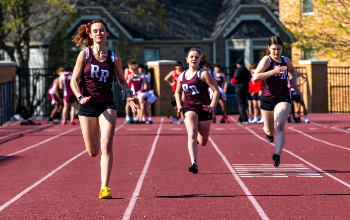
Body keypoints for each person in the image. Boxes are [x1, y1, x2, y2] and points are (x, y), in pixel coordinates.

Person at [70, 18, 137, 199]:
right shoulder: (84, 55)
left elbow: (122, 81)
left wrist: (128, 94)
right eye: (95, 31)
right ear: (90, 35)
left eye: (102, 30)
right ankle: (96, 148)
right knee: (93, 152)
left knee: (106, 144)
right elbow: (73, 81)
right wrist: (80, 97)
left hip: (107, 104)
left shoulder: (114, 57)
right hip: (87, 105)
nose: (99, 33)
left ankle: (104, 187)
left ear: (107, 33)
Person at [253, 36, 301, 167]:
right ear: (269, 48)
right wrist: (273, 71)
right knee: (270, 130)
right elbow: (255, 77)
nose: (276, 52)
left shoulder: (286, 60)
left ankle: (277, 155)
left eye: (279, 49)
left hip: (283, 98)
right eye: (273, 49)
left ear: (282, 49)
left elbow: (292, 71)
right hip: (268, 99)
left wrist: (294, 85)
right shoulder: (266, 60)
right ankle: (268, 132)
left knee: (279, 125)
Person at [175, 48, 219, 174]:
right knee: (192, 134)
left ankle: (197, 143)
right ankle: (194, 163)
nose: (194, 59)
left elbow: (216, 90)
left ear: (200, 59)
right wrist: (179, 105)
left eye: (196, 57)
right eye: (191, 57)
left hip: (204, 109)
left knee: (203, 142)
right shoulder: (182, 76)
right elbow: (177, 92)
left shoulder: (203, 74)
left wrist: (212, 105)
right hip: (189, 108)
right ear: (187, 59)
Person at [231, 58, 251, 124]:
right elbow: (249, 78)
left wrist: (233, 81)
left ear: (238, 64)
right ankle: (242, 118)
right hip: (246, 88)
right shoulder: (247, 70)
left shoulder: (238, 70)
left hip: (239, 89)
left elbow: (234, 79)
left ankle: (244, 119)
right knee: (244, 104)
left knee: (241, 104)